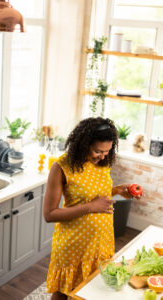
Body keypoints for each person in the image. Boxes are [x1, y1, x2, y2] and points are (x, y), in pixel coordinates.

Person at [43, 117, 140, 300]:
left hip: (101, 242)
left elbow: (94, 195)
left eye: (107, 151)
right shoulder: (61, 167)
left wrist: (117, 190)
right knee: (63, 291)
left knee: (91, 292)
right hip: (74, 245)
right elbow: (49, 214)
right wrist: (91, 207)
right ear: (83, 143)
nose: (102, 156)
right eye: (97, 151)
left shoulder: (102, 162)